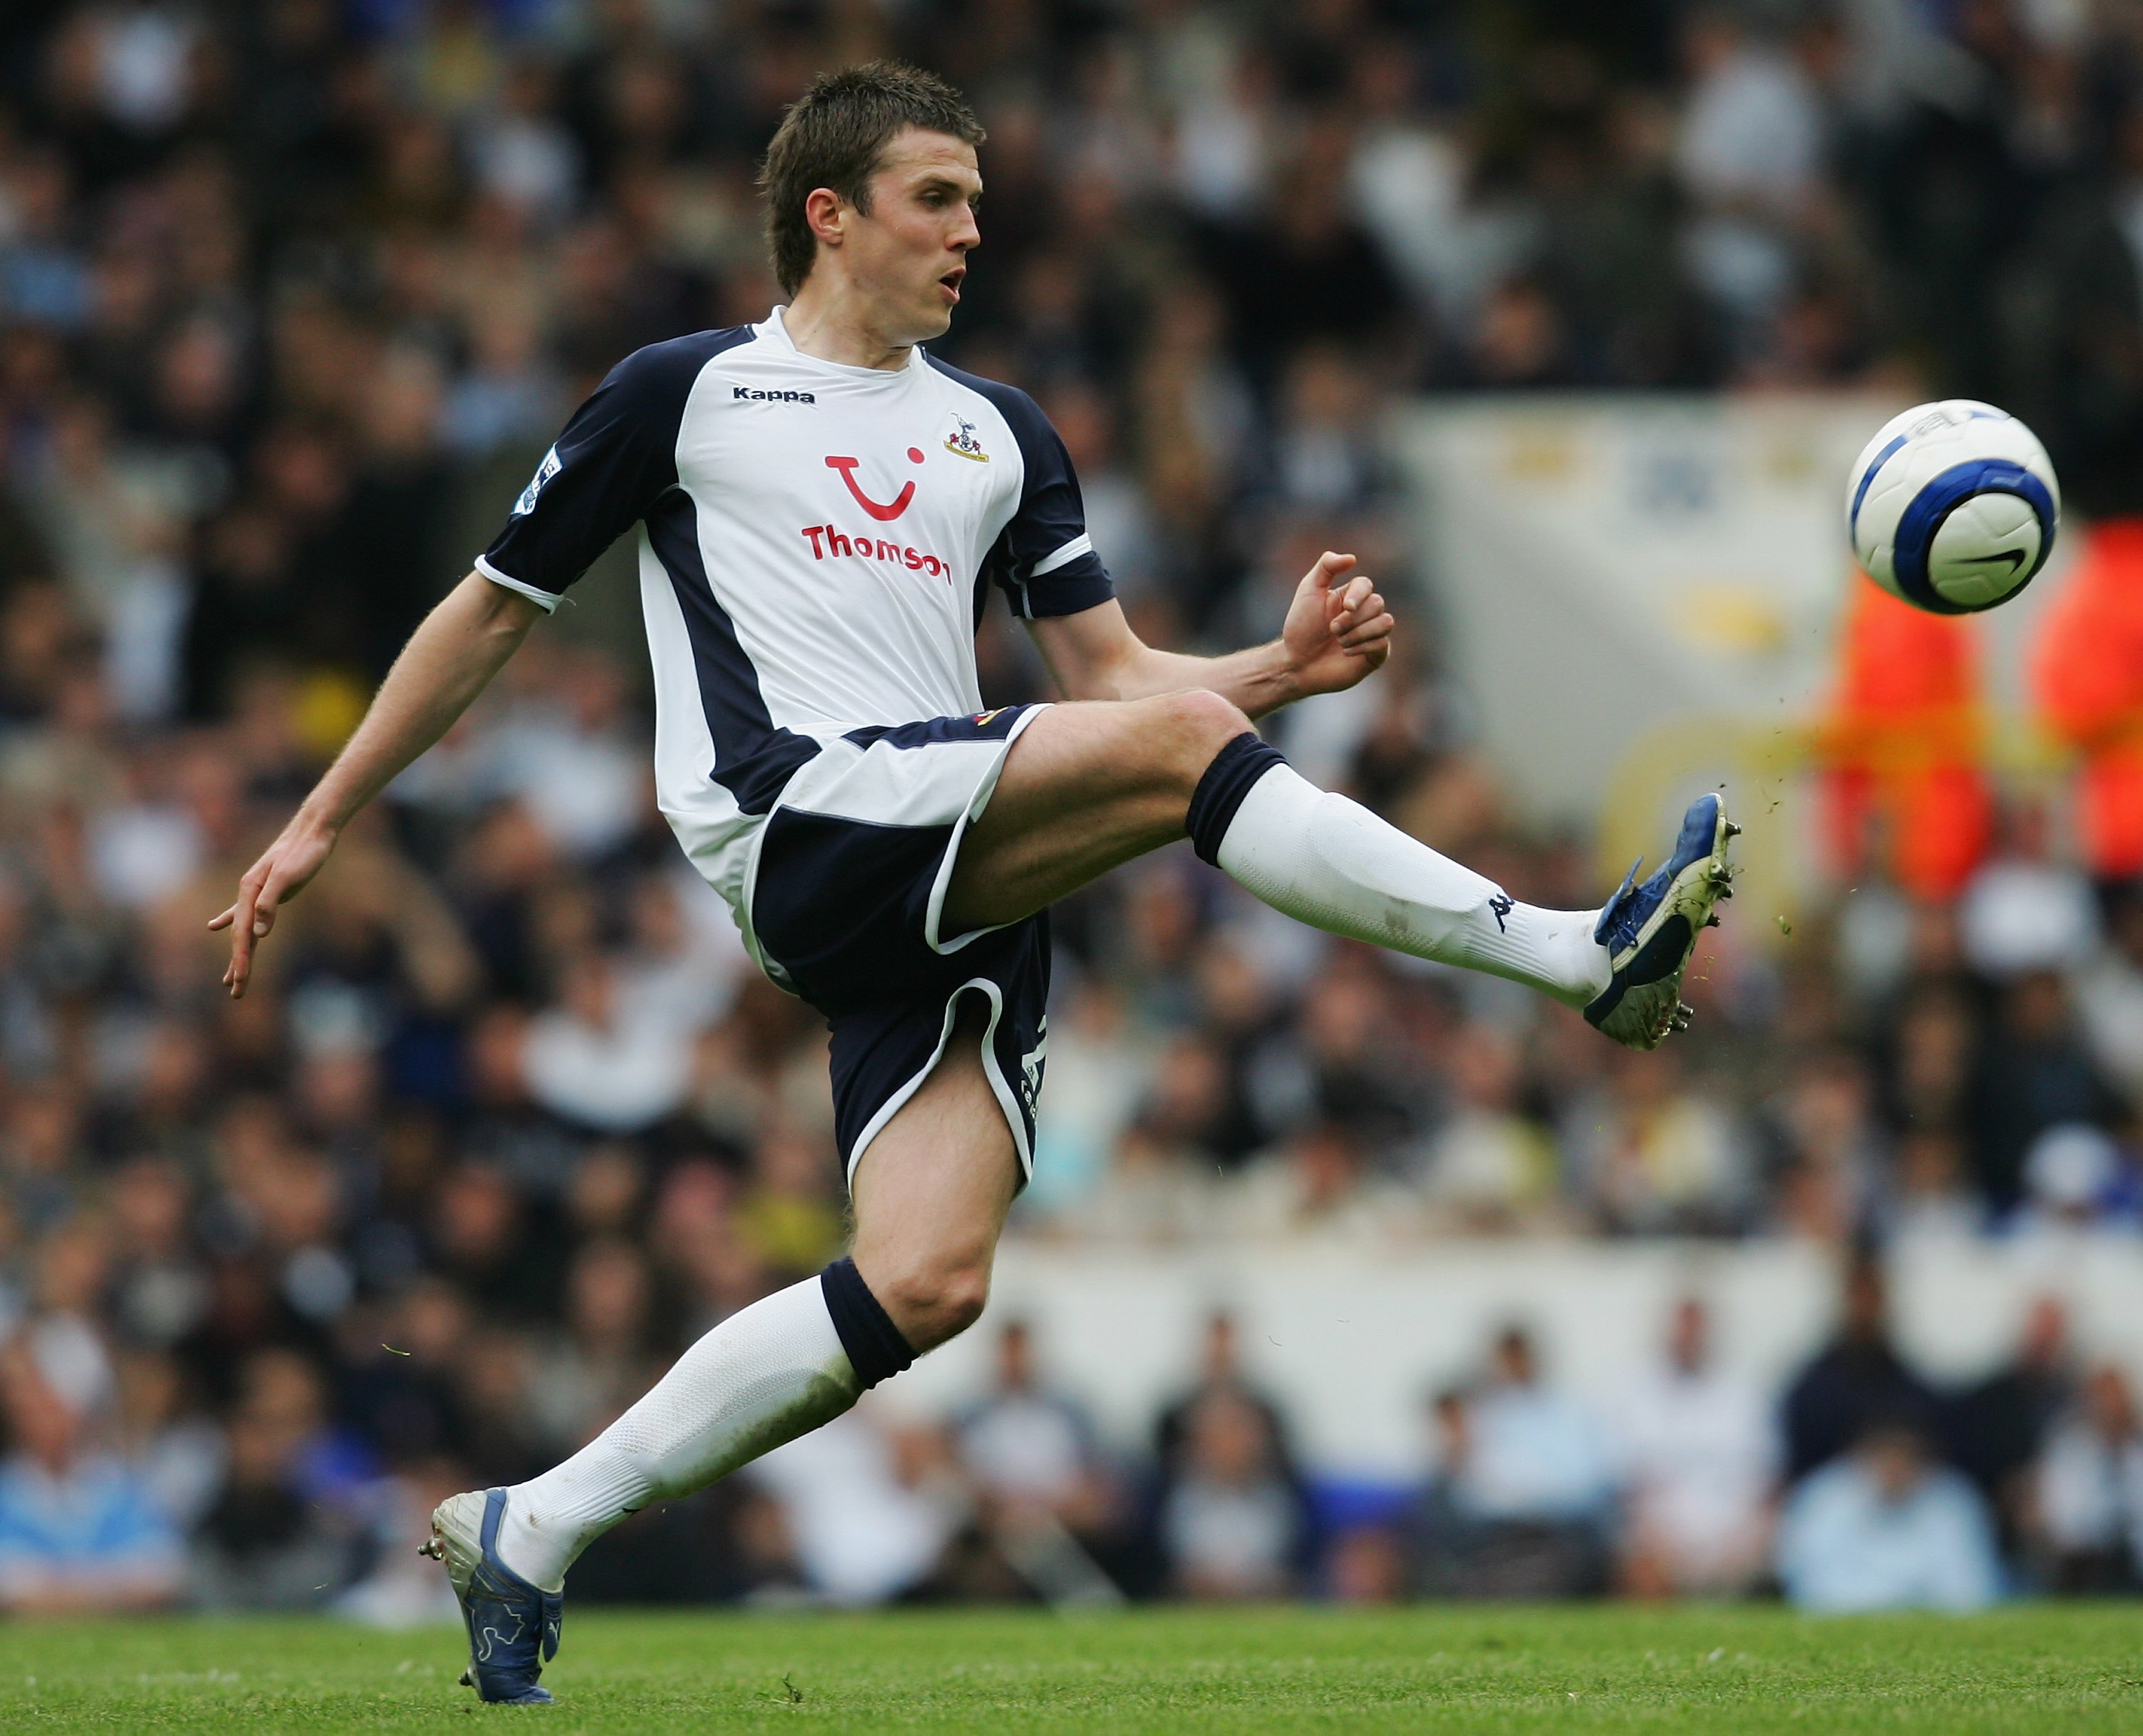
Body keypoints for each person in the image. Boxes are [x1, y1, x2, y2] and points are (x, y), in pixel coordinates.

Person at [209, 64, 1736, 1702]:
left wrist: (1277, 671)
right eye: (935, 200)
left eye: (977, 206)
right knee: (1175, 759)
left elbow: (1114, 678)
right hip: (799, 818)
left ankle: (533, 1524)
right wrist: (319, 821)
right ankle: (1580, 953)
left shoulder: (996, 430)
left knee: (926, 1280)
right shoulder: (686, 389)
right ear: (829, 214)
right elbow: (494, 606)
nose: (968, 233)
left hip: (946, 849)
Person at [1776, 1419, 2000, 1612]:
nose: (1895, 1469)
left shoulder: (1952, 1500)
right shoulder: (1825, 1496)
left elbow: (1968, 1587)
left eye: (1904, 1459)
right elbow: (1809, 1577)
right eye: (1886, 1458)